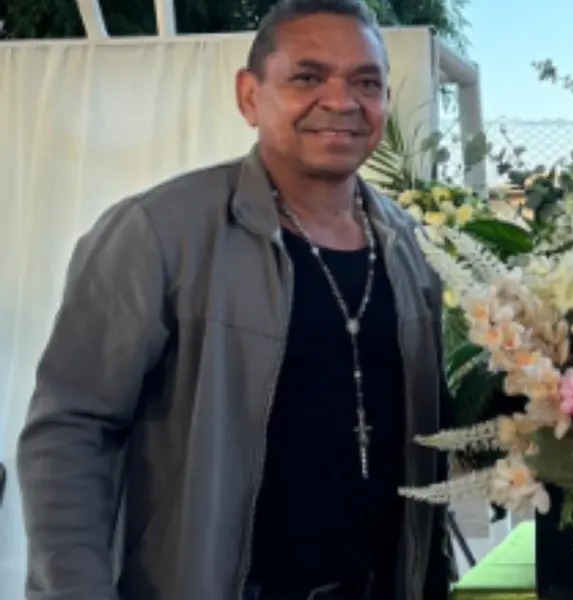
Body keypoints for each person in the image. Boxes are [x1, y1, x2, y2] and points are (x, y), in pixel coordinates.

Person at [16, 0, 453, 598]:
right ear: (249, 95)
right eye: (307, 77)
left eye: (366, 82)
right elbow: (72, 431)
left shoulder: (414, 248)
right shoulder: (159, 233)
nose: (341, 101)